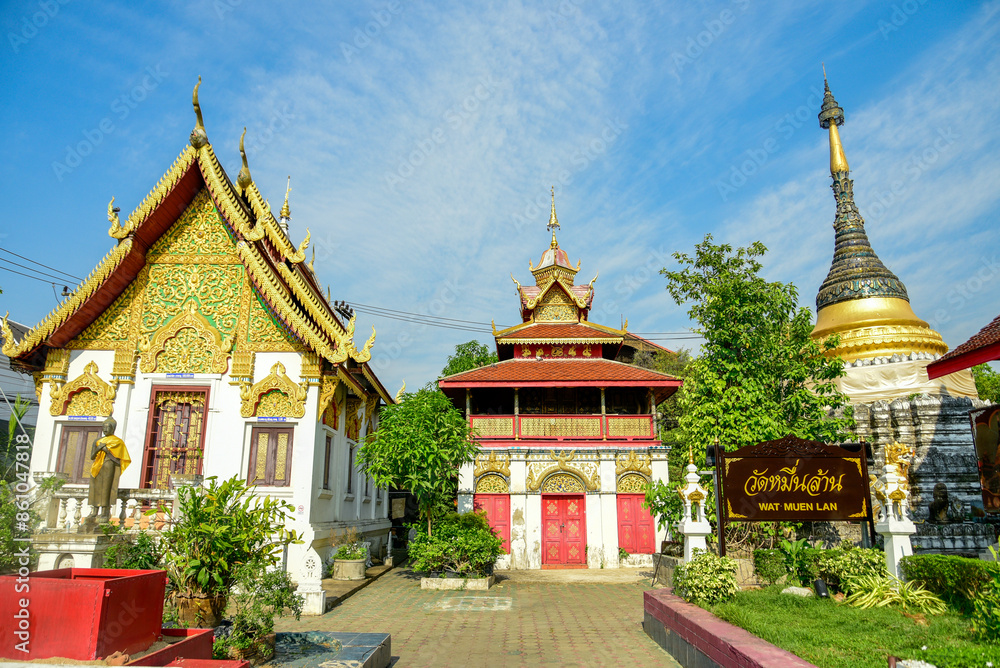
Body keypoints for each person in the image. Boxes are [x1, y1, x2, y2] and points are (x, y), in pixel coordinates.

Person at [88, 417, 131, 523]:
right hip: (97, 467)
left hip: (109, 466)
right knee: (96, 488)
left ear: (113, 429)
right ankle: (94, 510)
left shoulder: (117, 442)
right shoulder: (97, 441)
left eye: (108, 427)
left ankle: (104, 511)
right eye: (104, 427)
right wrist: (99, 448)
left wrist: (106, 450)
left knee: (106, 488)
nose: (105, 429)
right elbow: (92, 456)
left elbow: (119, 460)